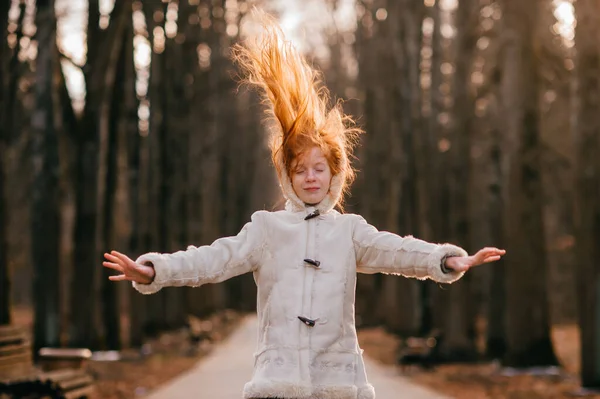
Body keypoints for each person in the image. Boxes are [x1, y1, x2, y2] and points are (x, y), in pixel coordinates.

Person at [102, 10, 505, 399]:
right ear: (287, 177)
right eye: (300, 170)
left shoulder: (350, 231)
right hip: (277, 382)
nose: (310, 177)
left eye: (319, 168)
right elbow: (212, 259)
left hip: (339, 382)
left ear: (335, 174)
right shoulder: (266, 229)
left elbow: (397, 250)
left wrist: (447, 260)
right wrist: (155, 270)